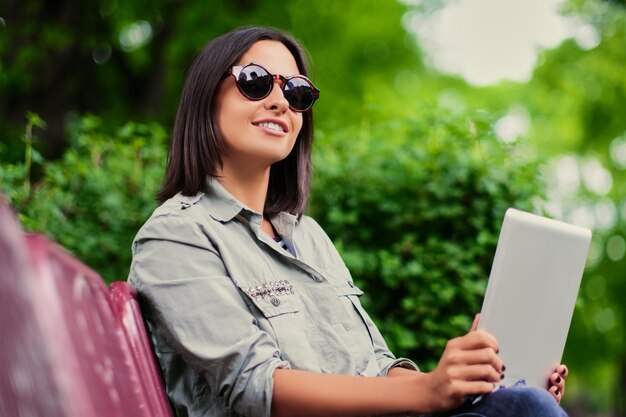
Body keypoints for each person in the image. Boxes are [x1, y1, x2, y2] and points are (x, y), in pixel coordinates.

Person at [128, 26, 570, 417]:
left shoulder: (307, 236)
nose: (281, 101)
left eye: (297, 92)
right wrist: (428, 392)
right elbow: (256, 387)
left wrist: (461, 377)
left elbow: (377, 366)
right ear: (208, 96)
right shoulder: (176, 236)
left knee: (522, 398)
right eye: (256, 82)